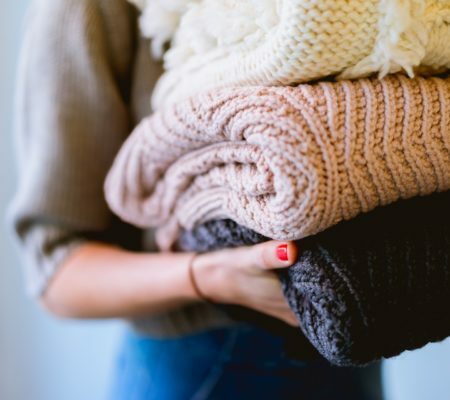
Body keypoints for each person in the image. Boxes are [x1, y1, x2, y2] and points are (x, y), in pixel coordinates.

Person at [8, 0, 381, 398]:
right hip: (208, 361)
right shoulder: (84, 10)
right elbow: (56, 272)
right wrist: (208, 277)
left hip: (353, 339)